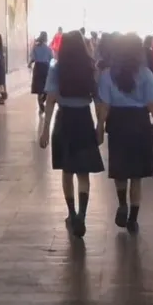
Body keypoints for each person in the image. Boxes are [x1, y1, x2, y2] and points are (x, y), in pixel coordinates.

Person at [95, 33, 153, 234]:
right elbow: (152, 104)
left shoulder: (107, 75)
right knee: (136, 174)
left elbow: (104, 106)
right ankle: (133, 219)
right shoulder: (145, 74)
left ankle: (122, 204)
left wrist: (100, 127)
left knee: (120, 169)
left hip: (117, 123)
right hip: (140, 123)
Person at [38, 31, 105, 238]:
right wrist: (100, 126)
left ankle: (72, 213)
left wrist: (45, 130)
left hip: (64, 120)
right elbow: (99, 101)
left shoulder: (57, 69)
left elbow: (50, 100)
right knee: (83, 172)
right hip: (84, 120)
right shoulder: (90, 68)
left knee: (67, 171)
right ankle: (82, 215)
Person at [29, 31, 54, 114]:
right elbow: (51, 59)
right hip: (46, 68)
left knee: (39, 89)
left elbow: (33, 58)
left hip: (38, 68)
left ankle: (41, 106)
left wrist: (29, 64)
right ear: (46, 38)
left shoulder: (35, 47)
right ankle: (42, 103)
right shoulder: (48, 49)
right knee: (46, 88)